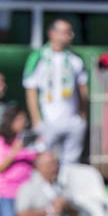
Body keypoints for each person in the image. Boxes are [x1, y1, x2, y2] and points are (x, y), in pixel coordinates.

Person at [24, 19, 89, 165]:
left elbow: (83, 89)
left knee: (71, 163)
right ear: (52, 33)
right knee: (45, 160)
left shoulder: (75, 59)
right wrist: (36, 120)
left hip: (72, 119)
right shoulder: (38, 58)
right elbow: (31, 90)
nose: (70, 36)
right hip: (48, 120)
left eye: (70, 32)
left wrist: (82, 118)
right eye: (65, 32)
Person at [0, 106, 38, 216]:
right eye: (19, 119)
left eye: (24, 119)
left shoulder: (29, 140)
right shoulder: (0, 141)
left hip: (27, 191)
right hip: (8, 193)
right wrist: (14, 151)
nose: (23, 122)